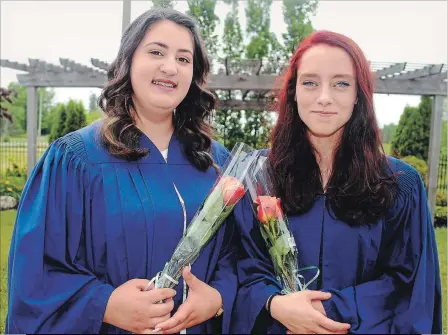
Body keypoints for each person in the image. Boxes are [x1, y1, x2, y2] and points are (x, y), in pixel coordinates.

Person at [6, 8, 237, 334]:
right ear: (128, 61)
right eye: (156, 52)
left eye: (184, 59)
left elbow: (238, 254)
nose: (170, 67)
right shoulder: (76, 159)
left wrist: (219, 296)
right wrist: (104, 303)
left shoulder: (217, 163)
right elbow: (36, 272)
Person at [231, 30, 442, 334]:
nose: (324, 98)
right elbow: (236, 264)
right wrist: (273, 303)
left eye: (341, 83)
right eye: (310, 83)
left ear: (359, 94)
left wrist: (324, 311)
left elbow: (410, 286)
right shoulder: (259, 176)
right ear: (294, 92)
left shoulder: (399, 184)